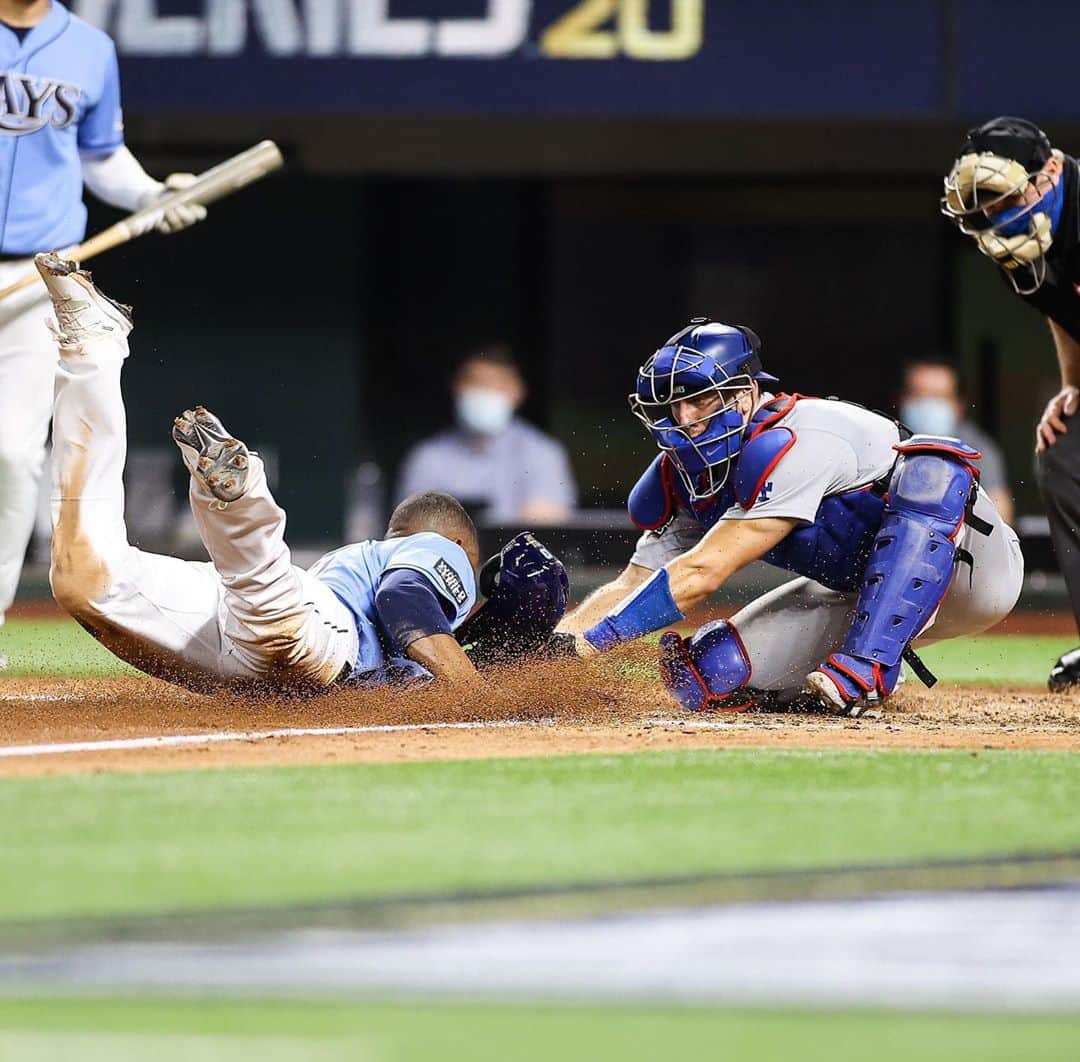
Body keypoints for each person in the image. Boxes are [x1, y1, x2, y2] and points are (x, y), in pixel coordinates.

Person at [37, 252, 497, 694]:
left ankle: (91, 349)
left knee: (83, 580)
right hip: (307, 636)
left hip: (232, 641)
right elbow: (405, 600)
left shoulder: (356, 568)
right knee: (271, 616)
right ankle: (236, 495)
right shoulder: (440, 549)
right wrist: (479, 695)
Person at [556, 319, 1023, 716]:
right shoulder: (684, 475)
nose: (685, 417)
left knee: (932, 473)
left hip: (974, 568)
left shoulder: (801, 437)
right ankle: (848, 674)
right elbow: (631, 584)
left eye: (700, 398)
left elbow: (702, 573)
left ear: (744, 393)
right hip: (858, 588)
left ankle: (870, 664)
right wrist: (555, 648)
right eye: (674, 404)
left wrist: (594, 643)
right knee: (709, 673)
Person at [0, 0, 207, 661]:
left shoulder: (88, 49)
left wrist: (150, 196)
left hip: (38, 275)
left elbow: (99, 157)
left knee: (11, 454)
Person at [941, 116, 1080, 691]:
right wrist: (1074, 385)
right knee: (1066, 455)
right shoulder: (1021, 248)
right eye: (984, 205)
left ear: (1050, 171)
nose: (995, 216)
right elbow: (1063, 311)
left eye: (1002, 196)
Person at [396, 346, 576, 525]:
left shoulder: (543, 453)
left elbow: (547, 526)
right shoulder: (426, 457)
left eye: (497, 384)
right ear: (456, 387)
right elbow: (412, 532)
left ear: (519, 391)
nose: (485, 391)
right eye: (476, 382)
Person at [898, 358, 1014, 524]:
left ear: (958, 406)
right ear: (902, 399)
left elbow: (1001, 514)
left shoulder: (977, 450)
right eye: (919, 395)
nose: (929, 406)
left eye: (939, 397)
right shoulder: (884, 442)